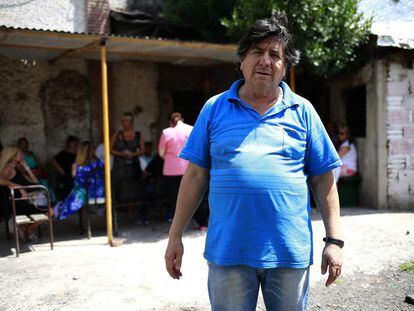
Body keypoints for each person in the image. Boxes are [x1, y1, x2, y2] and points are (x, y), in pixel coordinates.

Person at [164, 13, 344, 311]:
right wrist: (175, 236)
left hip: (289, 252)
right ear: (242, 61)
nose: (265, 61)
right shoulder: (214, 108)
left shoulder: (303, 111)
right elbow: (195, 176)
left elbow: (324, 179)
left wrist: (334, 241)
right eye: (257, 52)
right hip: (228, 252)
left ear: (284, 68)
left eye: (275, 55)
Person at [0, 147, 48, 242]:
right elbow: (0, 180)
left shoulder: (16, 166)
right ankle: (28, 230)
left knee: (49, 209)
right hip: (20, 201)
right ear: (12, 156)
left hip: (29, 198)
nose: (23, 156)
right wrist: (17, 186)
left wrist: (26, 167)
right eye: (20, 154)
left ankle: (26, 229)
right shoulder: (8, 167)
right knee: (50, 211)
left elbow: (35, 181)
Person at [54, 141, 104, 220]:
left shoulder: (76, 165)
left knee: (70, 198)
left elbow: (75, 179)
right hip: (100, 192)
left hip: (85, 193)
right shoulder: (100, 162)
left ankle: (57, 212)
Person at [158, 112, 193, 222]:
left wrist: (170, 159)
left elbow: (161, 153)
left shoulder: (166, 132)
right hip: (187, 167)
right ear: (182, 119)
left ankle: (174, 218)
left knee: (173, 195)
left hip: (170, 169)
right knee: (190, 193)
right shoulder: (190, 129)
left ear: (170, 122)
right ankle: (193, 217)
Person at [110, 112, 145, 220]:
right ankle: (116, 213)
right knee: (119, 187)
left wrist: (132, 154)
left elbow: (143, 150)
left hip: (133, 165)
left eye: (126, 121)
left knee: (133, 188)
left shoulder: (138, 135)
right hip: (120, 166)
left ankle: (132, 211)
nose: (124, 123)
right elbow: (110, 149)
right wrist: (122, 154)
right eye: (123, 121)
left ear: (131, 122)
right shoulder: (117, 135)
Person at [17, 137, 57, 203]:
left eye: (26, 143)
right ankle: (48, 200)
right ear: (19, 145)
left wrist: (38, 170)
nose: (25, 145)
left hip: (37, 171)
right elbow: (21, 170)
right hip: (28, 173)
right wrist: (31, 171)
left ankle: (52, 199)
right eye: (22, 144)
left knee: (46, 181)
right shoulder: (18, 156)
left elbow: (39, 163)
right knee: (42, 182)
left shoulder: (31, 153)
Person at [52, 135, 79, 200]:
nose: (74, 144)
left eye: (76, 143)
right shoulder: (63, 153)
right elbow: (54, 161)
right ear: (69, 143)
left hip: (76, 176)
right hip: (66, 176)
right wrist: (61, 171)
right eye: (73, 142)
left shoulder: (78, 154)